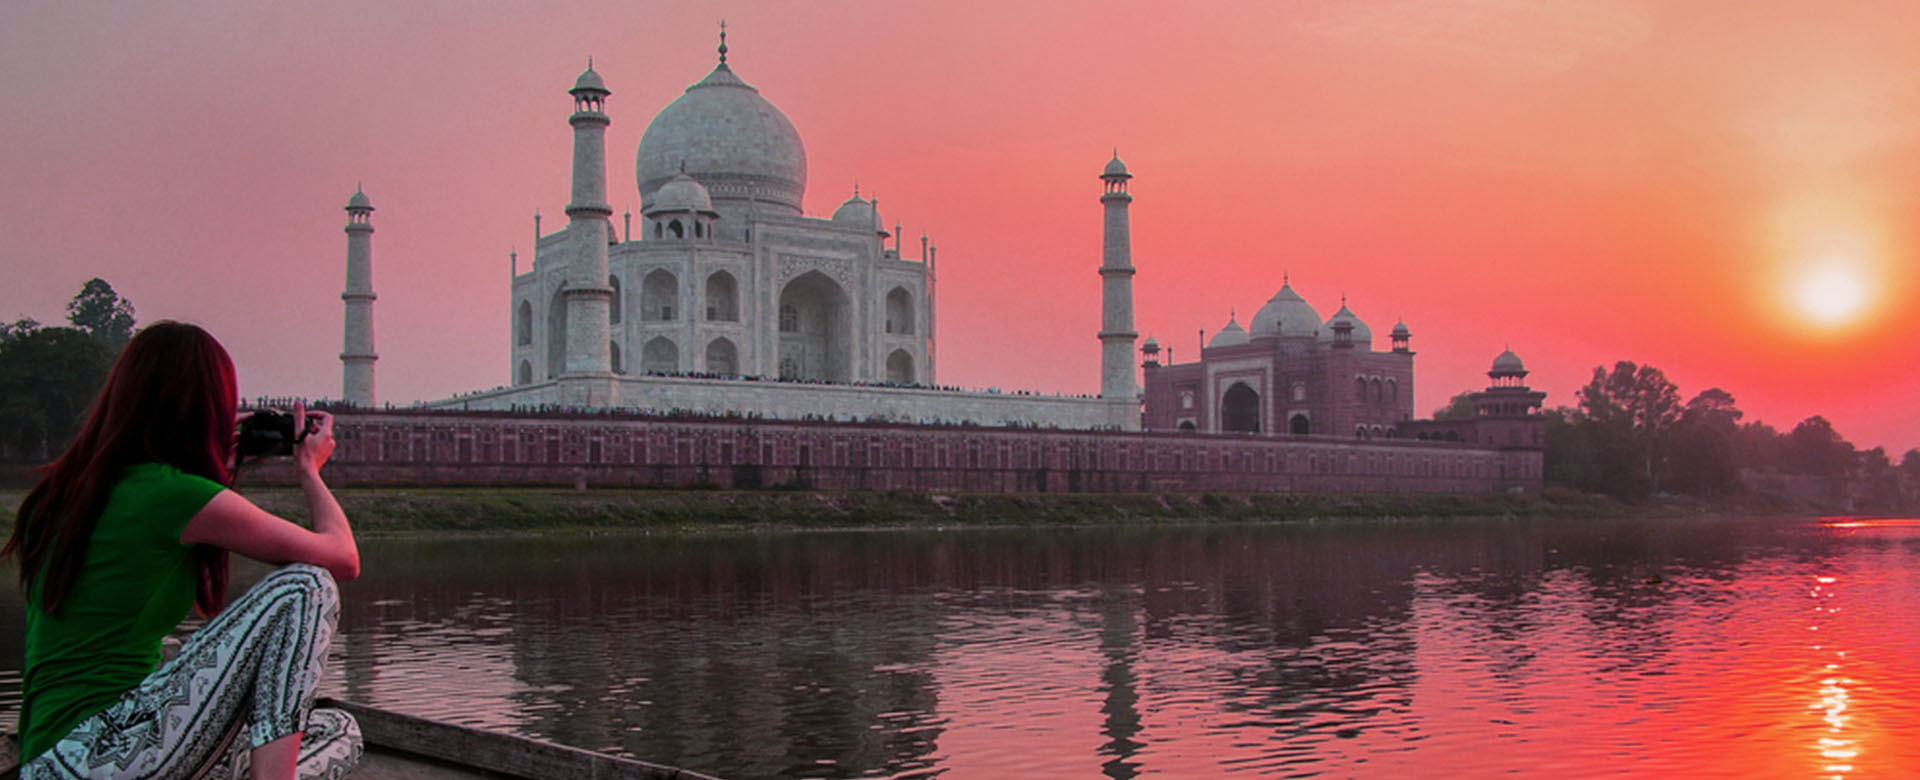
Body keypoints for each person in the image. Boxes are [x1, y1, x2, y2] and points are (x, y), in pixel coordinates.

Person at [3, 322, 363, 779]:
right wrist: (309, 470)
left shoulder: (67, 492)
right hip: (100, 753)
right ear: (205, 407)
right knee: (307, 585)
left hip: (55, 759)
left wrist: (213, 467)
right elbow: (342, 558)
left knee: (336, 728)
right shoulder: (171, 495)